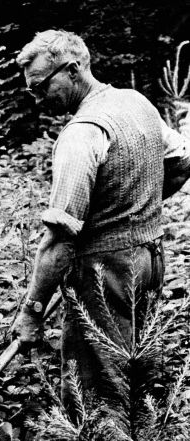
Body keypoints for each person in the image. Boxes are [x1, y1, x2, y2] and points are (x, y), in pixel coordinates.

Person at [11, 30, 190, 419]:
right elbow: (181, 161)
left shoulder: (82, 133)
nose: (37, 98)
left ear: (73, 70)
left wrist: (32, 310)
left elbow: (59, 240)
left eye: (41, 87)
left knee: (98, 390)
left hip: (103, 274)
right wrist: (134, 209)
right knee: (138, 374)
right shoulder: (135, 102)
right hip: (150, 259)